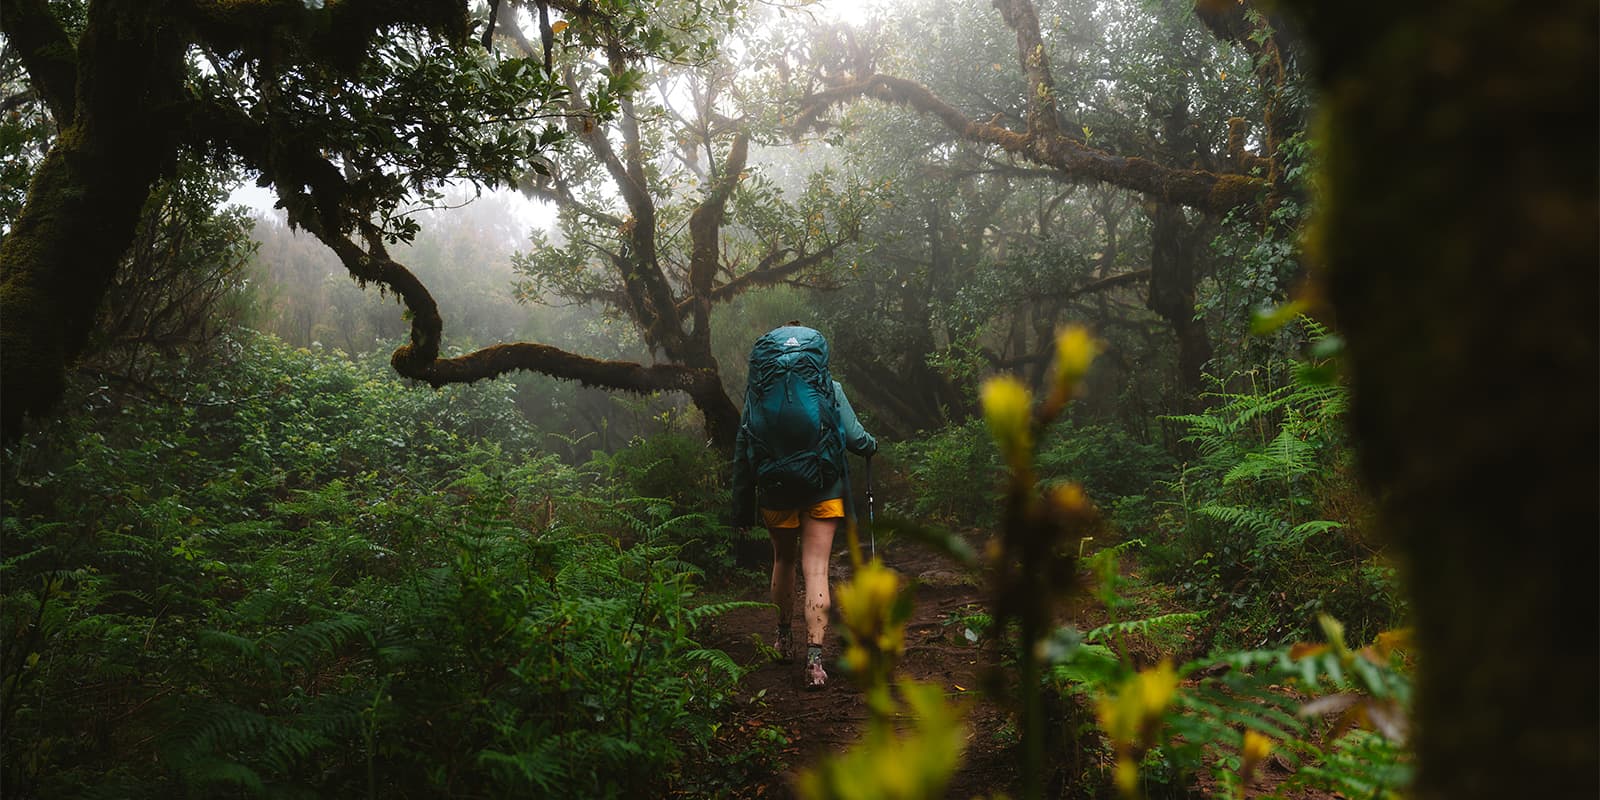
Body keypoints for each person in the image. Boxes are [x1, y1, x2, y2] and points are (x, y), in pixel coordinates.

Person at [731, 323, 877, 689]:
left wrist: (741, 505)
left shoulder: (757, 391)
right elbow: (856, 438)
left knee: (783, 560)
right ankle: (815, 662)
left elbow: (743, 447)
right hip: (822, 486)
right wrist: (871, 445)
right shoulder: (829, 387)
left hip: (775, 488)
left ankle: (782, 639)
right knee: (816, 569)